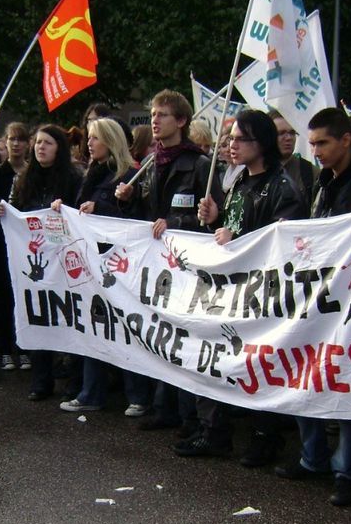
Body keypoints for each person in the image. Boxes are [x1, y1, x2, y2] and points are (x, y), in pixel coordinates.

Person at [274, 107, 351, 505]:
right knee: (304, 375)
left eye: (323, 143)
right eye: (312, 144)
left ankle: (347, 469)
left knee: (346, 380)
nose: (317, 152)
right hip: (318, 299)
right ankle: (313, 457)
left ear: (346, 140)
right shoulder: (322, 183)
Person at [180, 109, 307, 461]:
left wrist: (237, 236)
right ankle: (213, 431)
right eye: (231, 138)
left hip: (261, 296)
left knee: (260, 365)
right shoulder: (239, 182)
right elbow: (230, 232)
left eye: (240, 139)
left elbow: (283, 243)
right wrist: (215, 220)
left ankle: (266, 436)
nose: (232, 145)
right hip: (230, 291)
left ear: (260, 143)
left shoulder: (283, 189)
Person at [115, 90, 224, 434]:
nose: (155, 121)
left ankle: (193, 417)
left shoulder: (200, 165)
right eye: (152, 114)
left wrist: (178, 224)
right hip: (159, 267)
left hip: (188, 269)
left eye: (162, 114)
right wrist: (128, 201)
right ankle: (167, 407)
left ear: (181, 121)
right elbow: (147, 217)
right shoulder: (152, 164)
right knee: (162, 336)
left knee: (186, 339)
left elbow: (211, 220)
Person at [60, 118, 152, 415]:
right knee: (94, 328)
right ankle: (91, 393)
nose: (89, 143)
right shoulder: (91, 173)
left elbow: (137, 219)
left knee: (124, 329)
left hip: (120, 266)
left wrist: (103, 209)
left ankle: (138, 395)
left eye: (95, 138)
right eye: (88, 137)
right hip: (91, 264)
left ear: (110, 140)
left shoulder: (131, 175)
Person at [0, 125, 82, 400]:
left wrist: (66, 210)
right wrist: (4, 212)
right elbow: (15, 211)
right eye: (38, 143)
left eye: (47, 143)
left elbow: (81, 215)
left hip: (63, 262)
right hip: (34, 263)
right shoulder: (23, 178)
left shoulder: (72, 177)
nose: (40, 147)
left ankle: (74, 378)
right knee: (37, 315)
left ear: (59, 148)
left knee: (69, 319)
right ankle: (40, 379)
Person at [0, 122, 31, 372]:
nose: (16, 144)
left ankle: (24, 348)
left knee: (21, 297)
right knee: (1, 296)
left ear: (27, 144)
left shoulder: (32, 173)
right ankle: (5, 349)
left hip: (25, 246)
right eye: (12, 139)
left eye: (21, 139)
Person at [270, 109, 317, 207]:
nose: (288, 138)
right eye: (281, 133)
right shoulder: (253, 171)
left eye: (292, 133)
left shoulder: (310, 172)